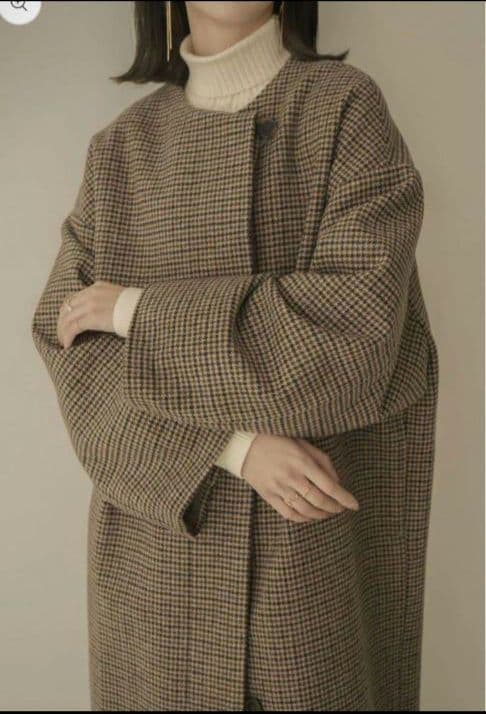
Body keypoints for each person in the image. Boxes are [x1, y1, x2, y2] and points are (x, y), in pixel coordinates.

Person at [31, 2, 439, 711]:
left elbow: (358, 332)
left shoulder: (344, 110)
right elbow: (72, 354)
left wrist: (137, 313)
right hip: (156, 575)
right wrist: (234, 448)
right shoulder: (119, 150)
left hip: (305, 562)